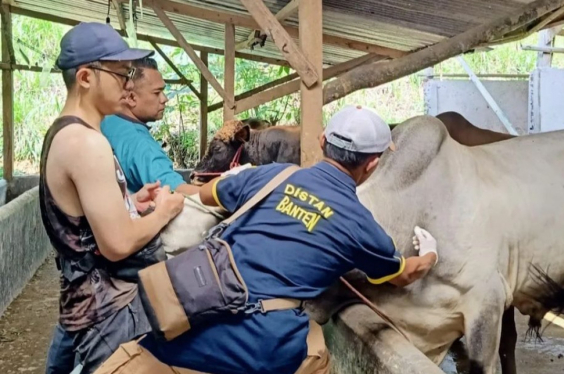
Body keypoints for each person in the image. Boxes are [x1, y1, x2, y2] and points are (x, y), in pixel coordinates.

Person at [95, 105, 438, 374]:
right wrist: (431, 255)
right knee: (316, 349)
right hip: (263, 345)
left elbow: (210, 193)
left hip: (188, 315)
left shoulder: (272, 175)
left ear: (322, 141)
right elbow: (403, 273)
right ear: (374, 163)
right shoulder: (361, 226)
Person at [41, 22, 184, 374]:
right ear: (87, 77)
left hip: (84, 299)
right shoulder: (87, 144)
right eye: (121, 74)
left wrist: (130, 204)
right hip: (106, 310)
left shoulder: (66, 132)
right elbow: (117, 244)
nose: (129, 83)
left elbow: (77, 220)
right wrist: (162, 212)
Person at [101, 57, 200, 195]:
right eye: (157, 93)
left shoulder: (106, 120)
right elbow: (177, 190)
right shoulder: (140, 143)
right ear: (131, 98)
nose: (164, 99)